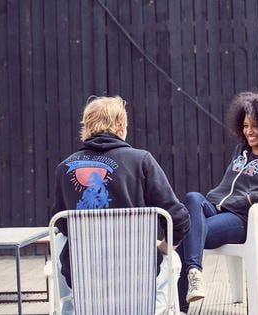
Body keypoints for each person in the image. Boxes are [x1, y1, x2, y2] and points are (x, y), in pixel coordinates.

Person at [51, 96, 190, 314]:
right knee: (172, 261)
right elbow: (179, 219)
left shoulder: (64, 168)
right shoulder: (141, 160)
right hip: (138, 274)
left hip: (84, 276)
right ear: (121, 125)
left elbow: (61, 224)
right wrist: (163, 248)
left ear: (86, 127)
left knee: (60, 241)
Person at [176, 90, 258, 313]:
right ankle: (194, 275)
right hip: (214, 207)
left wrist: (254, 197)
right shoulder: (241, 151)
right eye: (245, 126)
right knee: (193, 197)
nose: (249, 131)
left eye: (255, 126)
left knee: (187, 232)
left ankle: (182, 304)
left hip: (239, 219)